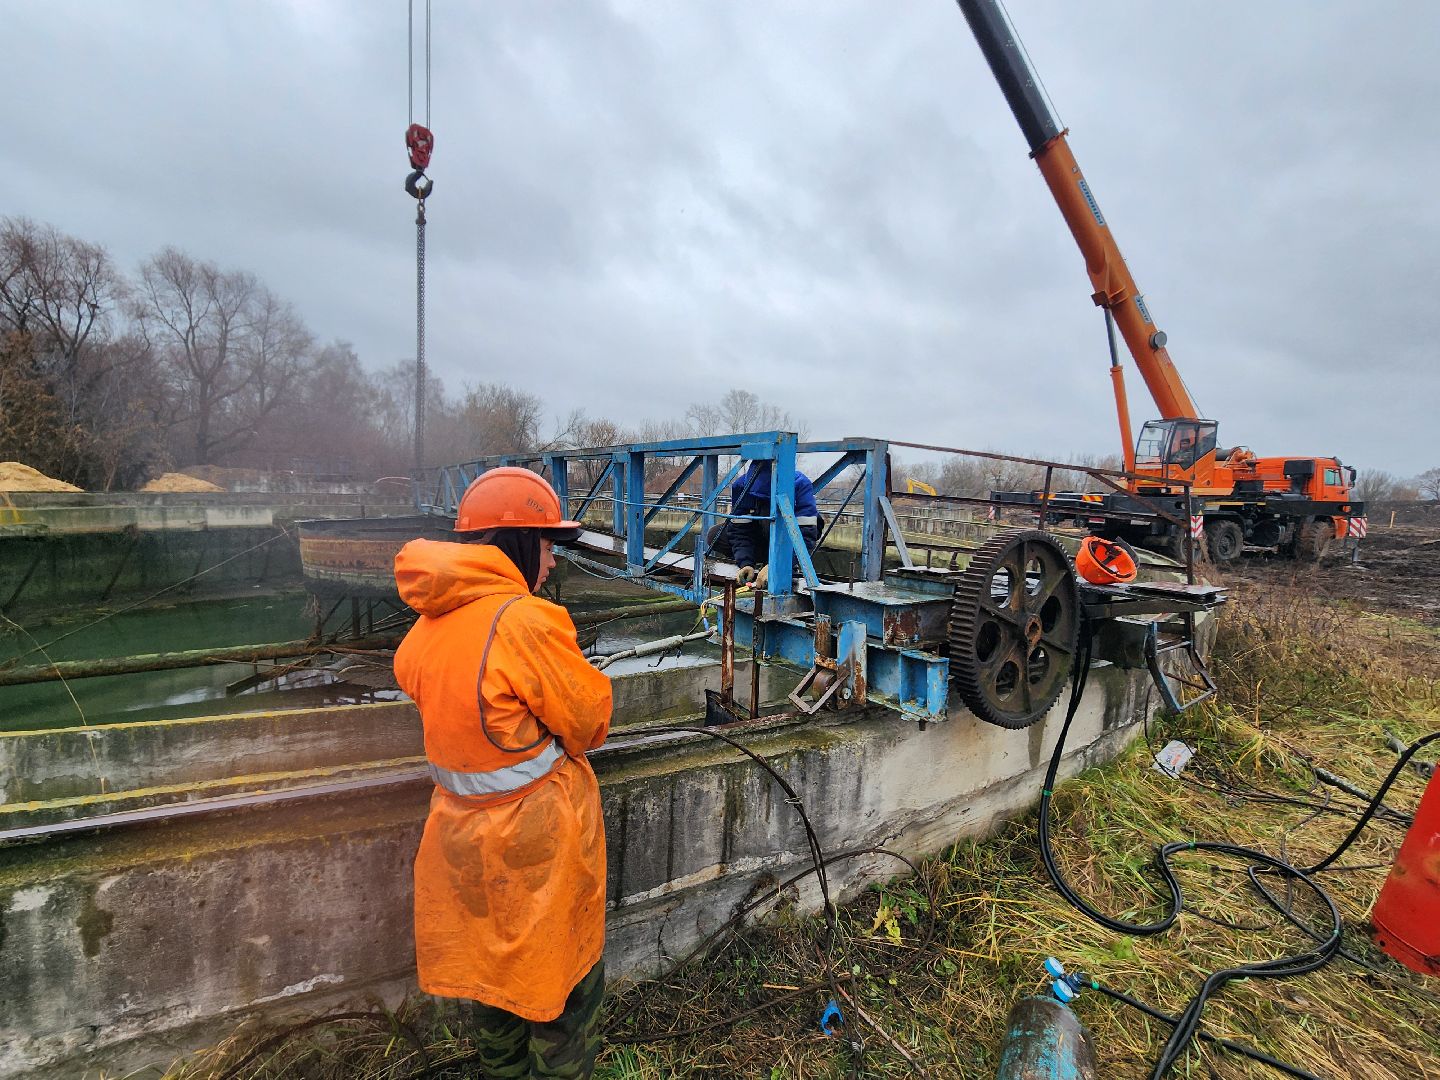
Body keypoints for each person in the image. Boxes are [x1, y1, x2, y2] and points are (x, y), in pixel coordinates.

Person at [393, 467, 612, 1079]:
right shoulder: (526, 622)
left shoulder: (425, 627)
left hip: (461, 845)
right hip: (536, 848)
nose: (548, 562)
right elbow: (590, 722)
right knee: (563, 989)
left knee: (493, 987)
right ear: (514, 541)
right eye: (544, 544)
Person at [709, 459, 821, 585]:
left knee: (772, 517)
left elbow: (806, 536)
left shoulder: (800, 485)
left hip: (789, 539)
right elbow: (740, 531)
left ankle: (785, 563)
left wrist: (778, 565)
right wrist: (745, 563)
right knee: (715, 535)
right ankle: (760, 564)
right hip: (761, 536)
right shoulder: (741, 487)